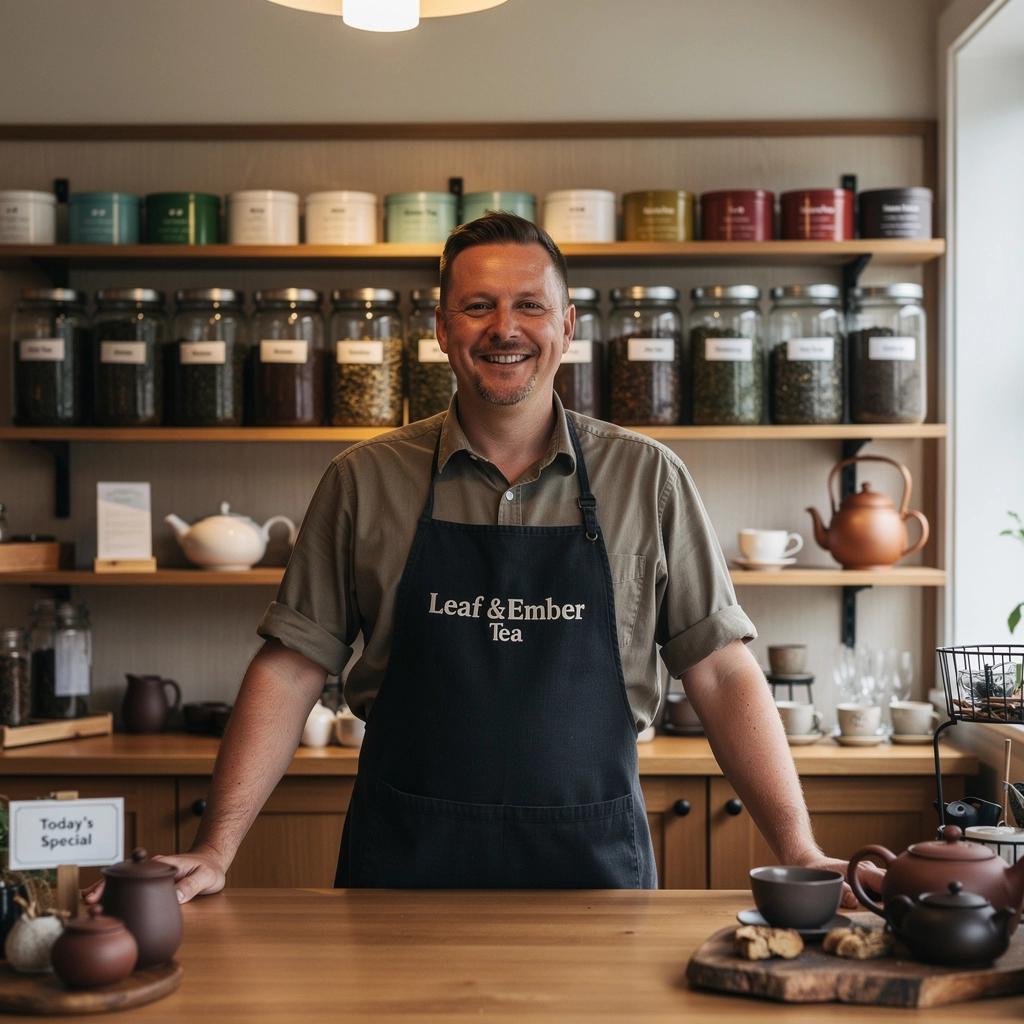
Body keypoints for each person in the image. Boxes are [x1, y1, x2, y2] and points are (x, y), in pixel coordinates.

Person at [88, 213, 861, 902]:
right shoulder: (363, 479)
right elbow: (290, 667)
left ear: (566, 324)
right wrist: (218, 848)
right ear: (440, 327)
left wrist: (799, 848)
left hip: (594, 876)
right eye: (478, 305)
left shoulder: (647, 477)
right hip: (402, 871)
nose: (505, 327)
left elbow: (721, 671)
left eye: (529, 304)